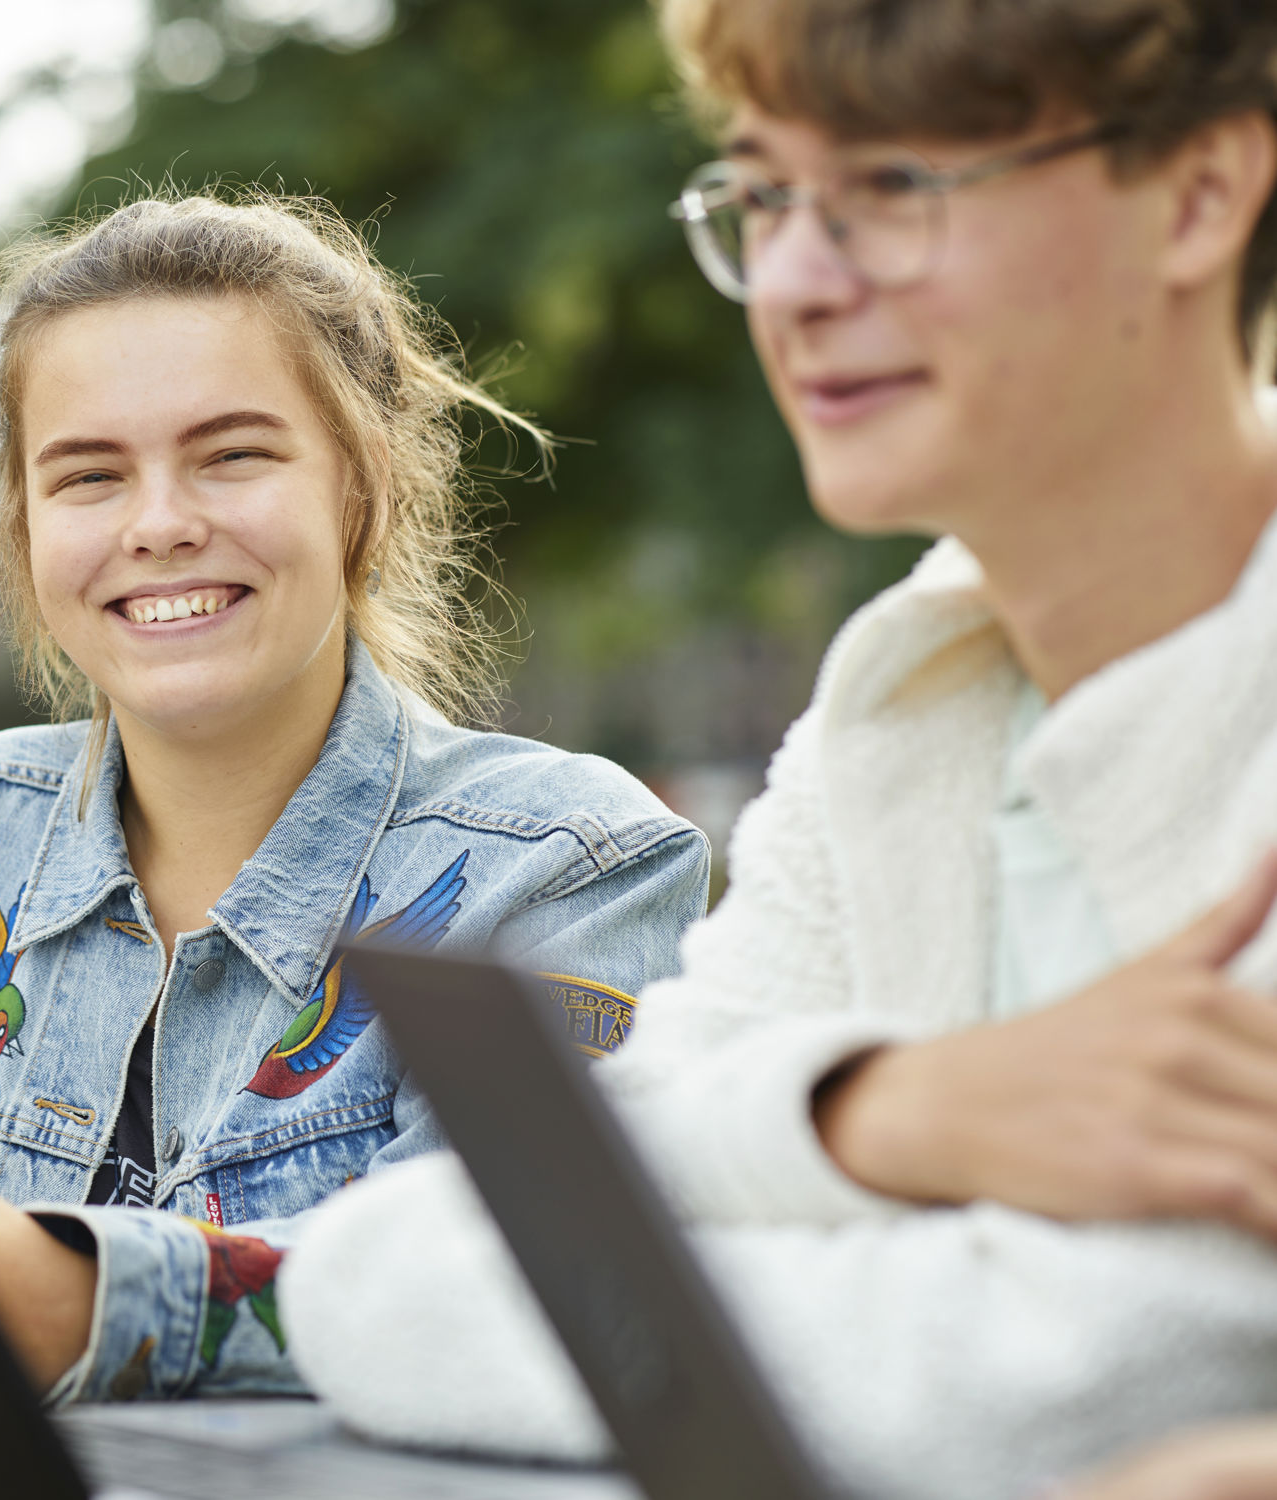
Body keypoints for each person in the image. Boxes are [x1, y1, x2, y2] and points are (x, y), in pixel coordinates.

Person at [273, 2, 1277, 1495]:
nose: (795, 283)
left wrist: (711, 1217)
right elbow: (364, 1273)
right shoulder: (901, 711)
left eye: (895, 190)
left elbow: (1094, 1378)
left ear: (1198, 195)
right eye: (764, 197)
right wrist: (877, 1113)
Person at [0, 192, 709, 1404]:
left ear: (360, 482)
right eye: (88, 476)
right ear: (24, 527)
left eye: (232, 455)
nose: (162, 525)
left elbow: (539, 1298)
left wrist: (88, 1295)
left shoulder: (570, 867)